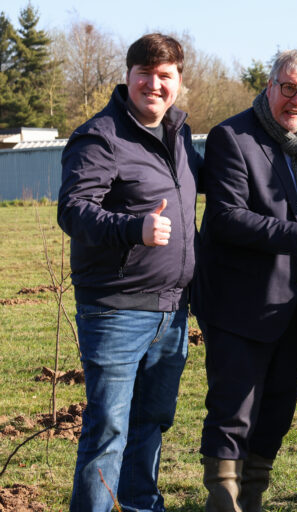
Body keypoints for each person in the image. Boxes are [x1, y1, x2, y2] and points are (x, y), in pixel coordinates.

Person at [58, 33, 200, 511]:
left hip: (172, 310)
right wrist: (132, 228)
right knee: (108, 430)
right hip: (116, 310)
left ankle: (142, 506)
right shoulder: (101, 136)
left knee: (151, 422)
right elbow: (73, 210)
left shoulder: (178, 135)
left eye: (165, 76)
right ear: (128, 76)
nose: (154, 85)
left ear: (179, 80)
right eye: (145, 74)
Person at [192, 49, 297, 511]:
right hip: (240, 299)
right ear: (271, 86)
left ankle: (251, 497)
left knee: (277, 409)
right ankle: (224, 500)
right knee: (234, 408)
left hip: (294, 302)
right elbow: (226, 217)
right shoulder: (232, 137)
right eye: (289, 89)